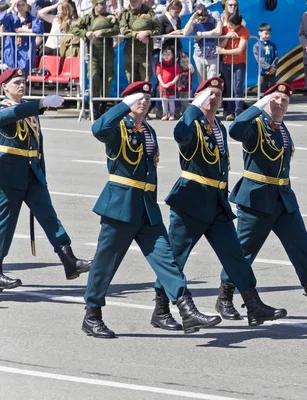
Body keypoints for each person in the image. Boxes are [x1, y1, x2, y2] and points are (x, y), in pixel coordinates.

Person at [83, 81, 222, 338]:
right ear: (127, 100)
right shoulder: (118, 128)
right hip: (120, 206)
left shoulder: (149, 130)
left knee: (166, 259)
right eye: (138, 97)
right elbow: (98, 128)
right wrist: (124, 106)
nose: (145, 101)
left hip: (146, 207)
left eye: (148, 97)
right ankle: (92, 315)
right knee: (105, 263)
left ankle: (186, 308)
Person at [152, 77, 287, 328]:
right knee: (176, 257)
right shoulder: (191, 122)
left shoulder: (219, 127)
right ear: (198, 96)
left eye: (217, 94)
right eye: (208, 93)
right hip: (191, 200)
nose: (214, 98)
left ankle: (254, 305)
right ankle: (160, 309)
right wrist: (193, 106)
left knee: (235, 255)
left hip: (217, 202)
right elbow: (180, 134)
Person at [220, 83, 307, 320]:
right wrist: (258, 106)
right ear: (266, 100)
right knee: (243, 251)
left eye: (285, 100)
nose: (280, 103)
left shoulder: (282, 128)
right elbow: (235, 130)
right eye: (275, 98)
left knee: (302, 249)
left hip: (284, 198)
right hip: (257, 198)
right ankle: (225, 297)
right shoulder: (255, 124)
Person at [0, 68, 92, 291]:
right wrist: (39, 104)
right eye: (16, 83)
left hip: (32, 174)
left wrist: (42, 175)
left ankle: (69, 261)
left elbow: (37, 147)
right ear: (4, 87)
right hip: (8, 176)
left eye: (23, 82)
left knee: (50, 217)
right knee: (4, 225)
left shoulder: (29, 112)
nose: (21, 86)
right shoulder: (6, 108)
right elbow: (8, 116)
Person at [70, 0, 120, 120]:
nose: (103, 6)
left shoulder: (110, 17)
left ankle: (104, 107)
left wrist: (102, 32)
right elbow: (73, 28)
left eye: (104, 4)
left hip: (107, 54)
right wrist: (85, 33)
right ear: (95, 5)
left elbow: (117, 29)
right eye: (101, 4)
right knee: (94, 79)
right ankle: (94, 108)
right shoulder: (87, 18)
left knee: (107, 81)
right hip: (93, 55)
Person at [217, 13, 250, 121]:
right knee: (228, 87)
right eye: (229, 24)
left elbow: (240, 50)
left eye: (232, 25)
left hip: (239, 63)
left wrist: (224, 51)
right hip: (226, 63)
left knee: (238, 87)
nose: (230, 26)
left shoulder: (244, 30)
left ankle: (238, 110)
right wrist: (227, 36)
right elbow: (220, 46)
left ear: (238, 25)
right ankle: (230, 111)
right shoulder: (225, 29)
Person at [120, 0, 160, 83]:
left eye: (135, 1)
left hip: (145, 53)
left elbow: (158, 28)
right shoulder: (125, 13)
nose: (132, 3)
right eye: (131, 1)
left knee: (145, 81)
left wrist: (148, 33)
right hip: (131, 52)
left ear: (141, 1)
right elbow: (123, 29)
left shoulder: (149, 12)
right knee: (131, 81)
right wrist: (137, 35)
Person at [1, 0, 44, 76]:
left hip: (26, 50)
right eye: (18, 5)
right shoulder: (11, 18)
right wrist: (11, 8)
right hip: (12, 48)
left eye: (22, 5)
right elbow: (1, 19)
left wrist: (25, 30)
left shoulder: (32, 19)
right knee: (11, 73)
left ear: (26, 5)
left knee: (23, 73)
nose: (20, 7)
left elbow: (39, 29)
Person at [183, 3, 222, 83]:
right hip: (199, 54)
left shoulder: (214, 15)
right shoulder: (195, 20)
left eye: (203, 19)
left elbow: (219, 31)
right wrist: (192, 18)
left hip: (212, 54)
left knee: (212, 81)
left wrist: (202, 34)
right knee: (202, 83)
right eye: (200, 19)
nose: (201, 20)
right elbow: (185, 33)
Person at [156, 47, 180, 121]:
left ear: (172, 55)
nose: (166, 56)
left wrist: (172, 82)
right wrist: (163, 84)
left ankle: (172, 114)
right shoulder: (159, 65)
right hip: (163, 86)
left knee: (171, 100)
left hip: (172, 86)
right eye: (165, 54)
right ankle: (165, 114)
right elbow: (158, 75)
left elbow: (177, 75)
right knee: (164, 100)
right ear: (162, 55)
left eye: (168, 54)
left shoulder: (174, 65)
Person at [254, 23, 278, 95]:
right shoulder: (257, 45)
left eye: (269, 34)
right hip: (262, 72)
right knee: (262, 89)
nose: (267, 36)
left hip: (272, 72)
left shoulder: (272, 45)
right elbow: (259, 59)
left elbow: (276, 57)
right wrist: (268, 68)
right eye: (265, 33)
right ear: (259, 33)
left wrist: (273, 67)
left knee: (272, 89)